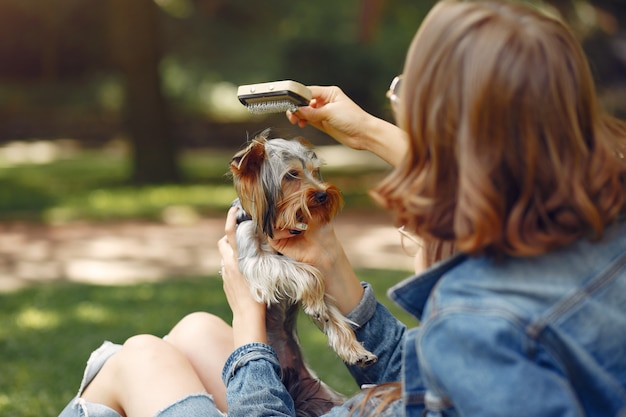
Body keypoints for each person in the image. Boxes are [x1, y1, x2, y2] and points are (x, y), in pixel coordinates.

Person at [58, 0, 626, 416]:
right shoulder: (602, 233)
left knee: (136, 360)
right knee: (194, 333)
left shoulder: (477, 320)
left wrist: (251, 323)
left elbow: (464, 353)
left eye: (408, 98)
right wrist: (330, 257)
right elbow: (433, 382)